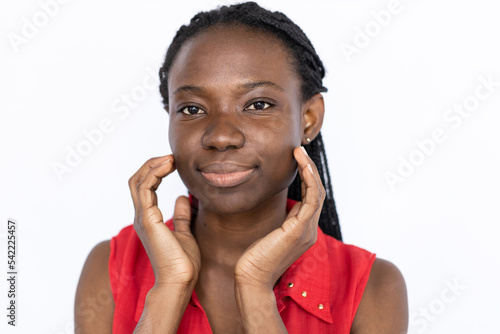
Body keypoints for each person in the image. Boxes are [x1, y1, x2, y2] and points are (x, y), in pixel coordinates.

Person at [75, 2, 408, 333]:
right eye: (191, 109)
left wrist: (256, 289)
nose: (221, 136)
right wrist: (169, 290)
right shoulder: (110, 268)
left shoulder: (373, 288)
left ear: (309, 119)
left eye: (257, 104)